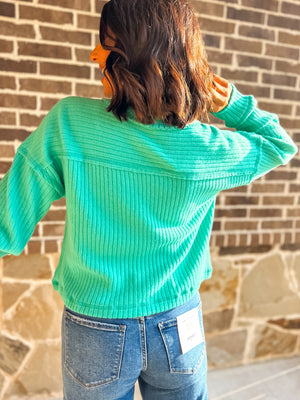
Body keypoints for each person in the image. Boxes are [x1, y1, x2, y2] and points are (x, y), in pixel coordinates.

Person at [0, 0, 298, 399]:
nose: (93, 54)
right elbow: (280, 145)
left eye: (105, 45)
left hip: (96, 328)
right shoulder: (205, 147)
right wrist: (231, 102)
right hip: (179, 324)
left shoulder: (70, 124)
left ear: (131, 57)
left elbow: (7, 221)